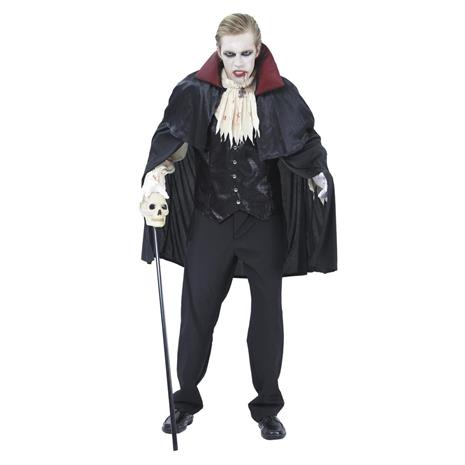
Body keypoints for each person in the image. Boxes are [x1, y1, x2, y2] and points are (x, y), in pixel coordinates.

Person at [139, 13, 337, 440]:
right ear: (218, 52)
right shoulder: (195, 93)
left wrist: (319, 181)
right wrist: (155, 184)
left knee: (267, 316)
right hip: (210, 219)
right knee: (196, 313)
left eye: (246, 52)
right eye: (230, 54)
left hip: (263, 221)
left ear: (258, 48)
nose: (239, 62)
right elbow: (170, 143)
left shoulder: (281, 95)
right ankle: (184, 402)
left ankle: (267, 407)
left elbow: (306, 145)